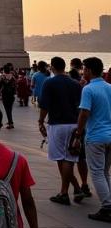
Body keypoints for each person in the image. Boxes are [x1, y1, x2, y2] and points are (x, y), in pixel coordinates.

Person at [38, 56, 85, 205]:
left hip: (57, 125)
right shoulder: (76, 84)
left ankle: (64, 193)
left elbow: (44, 105)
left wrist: (40, 121)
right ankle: (77, 188)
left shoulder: (49, 82)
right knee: (69, 159)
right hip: (73, 124)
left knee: (61, 158)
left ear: (52, 67)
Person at [74, 57, 111, 222]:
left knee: (96, 172)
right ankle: (109, 204)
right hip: (110, 135)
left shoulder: (88, 89)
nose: (83, 71)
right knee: (105, 172)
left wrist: (78, 134)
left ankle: (107, 207)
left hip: (95, 136)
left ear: (88, 70)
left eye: (84, 69)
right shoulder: (110, 87)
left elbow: (84, 113)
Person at [0, 64, 17, 129]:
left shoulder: (2, 77)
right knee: (10, 109)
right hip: (11, 95)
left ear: (4, 70)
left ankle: (11, 123)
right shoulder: (13, 77)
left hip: (5, 94)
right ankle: (10, 121)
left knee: (7, 109)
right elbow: (15, 85)